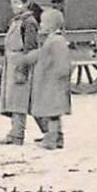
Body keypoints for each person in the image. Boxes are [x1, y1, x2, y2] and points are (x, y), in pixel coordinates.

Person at [0, 0, 42, 145]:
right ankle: (51, 133)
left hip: (21, 63)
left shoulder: (29, 23)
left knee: (19, 101)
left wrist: (23, 69)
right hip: (13, 62)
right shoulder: (17, 20)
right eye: (13, 3)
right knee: (27, 101)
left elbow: (31, 47)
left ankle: (17, 135)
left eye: (17, 3)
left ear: (27, 4)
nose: (14, 6)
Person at [27, 8, 73, 150]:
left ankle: (51, 140)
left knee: (51, 113)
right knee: (52, 112)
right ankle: (57, 137)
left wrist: (56, 78)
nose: (40, 25)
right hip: (51, 84)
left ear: (51, 25)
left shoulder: (56, 42)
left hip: (53, 85)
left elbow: (63, 64)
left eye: (43, 22)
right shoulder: (52, 40)